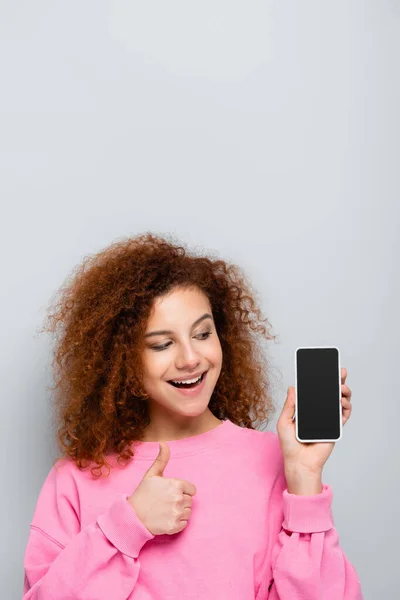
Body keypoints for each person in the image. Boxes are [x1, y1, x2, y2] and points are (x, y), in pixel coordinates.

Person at [22, 232, 363, 599]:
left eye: (202, 333)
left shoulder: (273, 460)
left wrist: (304, 479)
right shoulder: (75, 479)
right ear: (121, 360)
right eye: (162, 344)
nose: (190, 358)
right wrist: (126, 527)